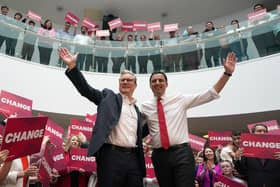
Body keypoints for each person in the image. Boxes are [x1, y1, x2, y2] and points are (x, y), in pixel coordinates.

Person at [141, 52, 236, 187]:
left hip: (182, 154)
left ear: (166, 84)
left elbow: (209, 94)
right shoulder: (145, 107)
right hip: (159, 156)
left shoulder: (180, 99)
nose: (157, 83)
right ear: (150, 85)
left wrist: (227, 74)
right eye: (154, 81)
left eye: (160, 80)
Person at [58, 47, 146, 187]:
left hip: (133, 159)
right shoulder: (108, 98)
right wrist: (72, 67)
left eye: (129, 80)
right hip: (110, 157)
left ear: (135, 85)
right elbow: (86, 90)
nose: (125, 82)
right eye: (122, 80)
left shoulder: (136, 110)